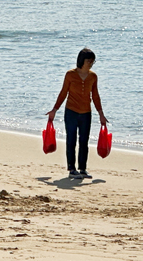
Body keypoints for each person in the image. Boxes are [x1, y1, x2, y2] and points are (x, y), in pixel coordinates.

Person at [46, 48, 107, 180]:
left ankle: (83, 168)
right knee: (71, 140)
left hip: (86, 113)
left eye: (92, 61)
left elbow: (96, 96)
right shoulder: (70, 74)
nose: (90, 63)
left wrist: (101, 114)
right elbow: (63, 93)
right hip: (71, 112)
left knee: (84, 141)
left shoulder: (93, 76)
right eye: (88, 61)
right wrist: (54, 110)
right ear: (81, 60)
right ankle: (72, 168)